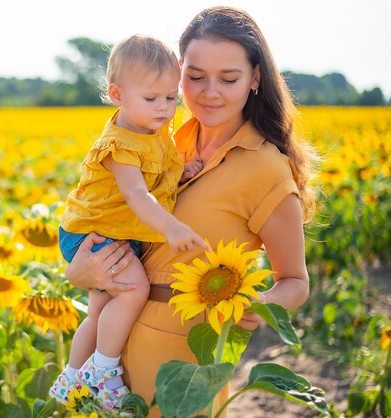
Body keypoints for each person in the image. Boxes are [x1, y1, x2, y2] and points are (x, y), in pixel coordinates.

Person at [64, 6, 317, 417]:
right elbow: (109, 221)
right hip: (109, 344)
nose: (209, 92)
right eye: (195, 77)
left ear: (255, 78)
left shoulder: (266, 168)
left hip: (182, 357)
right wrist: (79, 272)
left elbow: (295, 281)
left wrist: (255, 304)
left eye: (229, 79)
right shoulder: (161, 139)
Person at [48, 34, 210, 409]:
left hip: (110, 232)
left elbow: (152, 177)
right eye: (151, 99)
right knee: (134, 288)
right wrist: (171, 227)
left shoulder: (152, 133)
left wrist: (180, 173)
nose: (164, 108)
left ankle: (72, 377)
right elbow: (137, 194)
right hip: (93, 234)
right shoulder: (120, 145)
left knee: (101, 310)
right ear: (118, 95)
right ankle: (104, 371)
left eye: (171, 98)